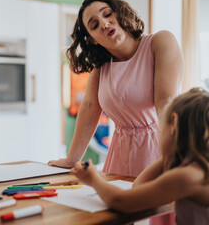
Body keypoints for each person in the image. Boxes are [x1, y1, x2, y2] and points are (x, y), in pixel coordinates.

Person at [48, 0, 183, 177]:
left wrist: (177, 154)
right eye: (94, 25)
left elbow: (165, 101)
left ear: (119, 13)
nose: (105, 24)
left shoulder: (159, 42)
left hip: (159, 149)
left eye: (107, 14)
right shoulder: (102, 65)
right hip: (119, 154)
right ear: (92, 39)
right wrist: (71, 159)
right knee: (112, 204)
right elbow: (89, 107)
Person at [71, 88, 209, 225]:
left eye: (161, 130)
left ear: (173, 123)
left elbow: (123, 202)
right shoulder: (197, 169)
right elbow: (138, 186)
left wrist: (93, 179)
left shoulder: (187, 177)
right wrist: (169, 156)